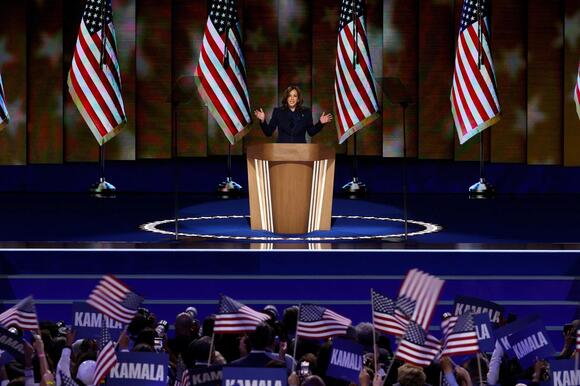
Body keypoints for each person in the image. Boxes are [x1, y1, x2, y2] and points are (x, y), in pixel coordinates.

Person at [254, 86, 332, 143]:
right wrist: (263, 121)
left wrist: (320, 123)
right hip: (281, 151)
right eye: (289, 96)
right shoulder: (278, 112)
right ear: (286, 98)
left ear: (298, 99)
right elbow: (268, 133)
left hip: (300, 151)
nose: (292, 98)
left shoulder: (306, 112)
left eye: (294, 96)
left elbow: (311, 132)